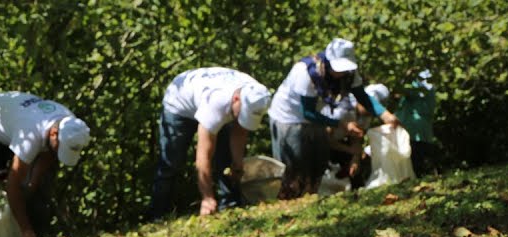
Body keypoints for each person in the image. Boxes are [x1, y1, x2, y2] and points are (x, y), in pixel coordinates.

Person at [267, 38, 399, 199]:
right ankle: (287, 202)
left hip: (318, 116)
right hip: (289, 117)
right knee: (295, 166)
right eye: (338, 68)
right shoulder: (305, 72)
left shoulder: (350, 73)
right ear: (328, 61)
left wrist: (384, 114)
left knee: (318, 162)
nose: (341, 73)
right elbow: (307, 112)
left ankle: (309, 199)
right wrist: (341, 124)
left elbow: (362, 96)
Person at [0, 92, 91, 237]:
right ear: (54, 134)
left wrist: (32, 182)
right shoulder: (29, 135)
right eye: (61, 147)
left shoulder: (71, 124)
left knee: (36, 186)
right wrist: (26, 231)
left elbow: (50, 152)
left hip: (15, 120)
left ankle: (34, 235)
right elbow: (12, 185)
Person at [147, 68, 271, 219]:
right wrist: (207, 197)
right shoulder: (216, 102)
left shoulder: (257, 94)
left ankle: (230, 206)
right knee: (172, 161)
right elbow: (203, 156)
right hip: (179, 103)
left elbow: (240, 131)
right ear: (236, 99)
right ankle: (158, 214)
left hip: (209, 99)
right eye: (243, 113)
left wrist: (237, 164)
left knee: (226, 158)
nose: (243, 118)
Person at [394, 70, 437, 176]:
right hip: (422, 130)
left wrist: (407, 76)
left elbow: (400, 90)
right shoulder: (429, 88)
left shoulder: (416, 87)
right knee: (421, 158)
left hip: (414, 129)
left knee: (415, 160)